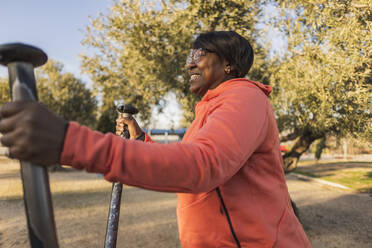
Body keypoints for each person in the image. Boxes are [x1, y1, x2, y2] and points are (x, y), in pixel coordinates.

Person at [0, 31, 311, 247]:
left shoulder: (244, 97)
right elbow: (188, 158)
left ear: (228, 64)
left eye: (199, 55)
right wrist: (141, 141)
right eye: (189, 55)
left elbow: (201, 166)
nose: (189, 63)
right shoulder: (211, 108)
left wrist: (69, 141)